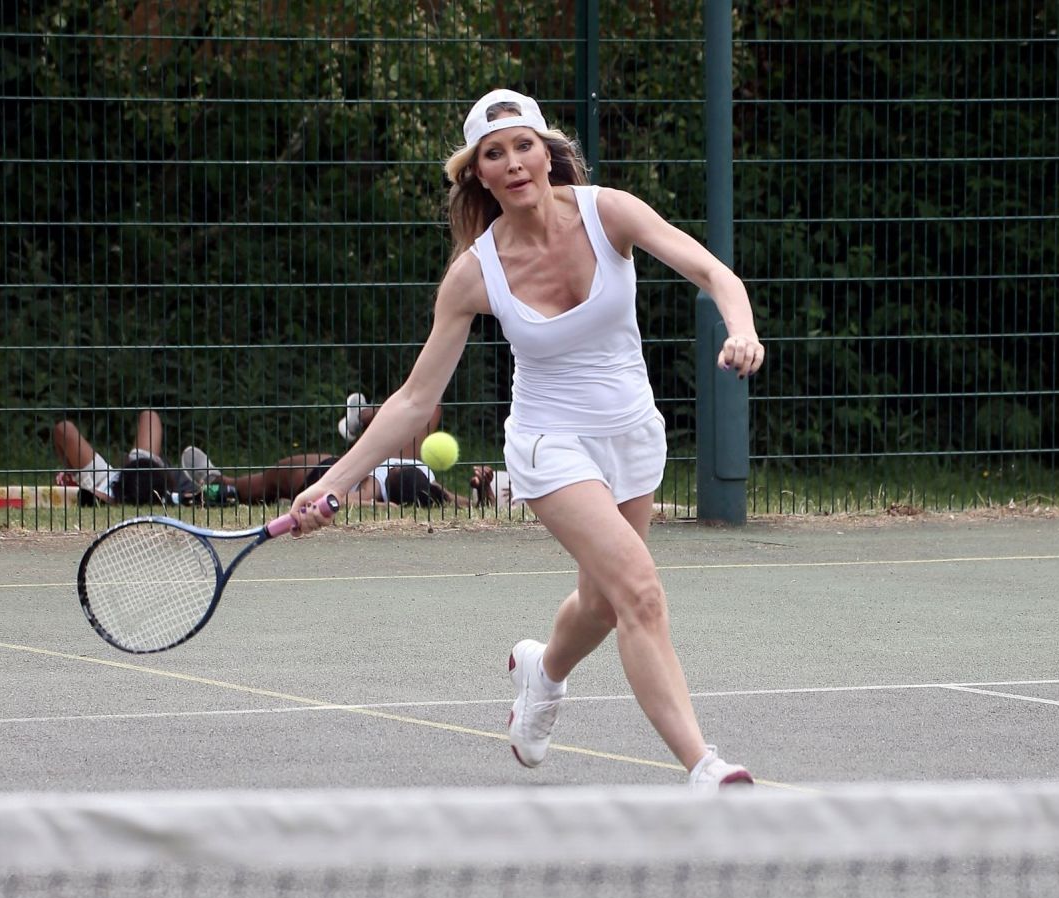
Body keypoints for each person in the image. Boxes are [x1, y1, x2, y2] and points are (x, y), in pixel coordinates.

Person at [290, 89, 765, 790]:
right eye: (493, 153)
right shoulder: (473, 274)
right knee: (640, 592)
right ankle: (705, 766)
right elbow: (416, 399)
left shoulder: (610, 213)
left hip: (633, 434)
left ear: (548, 153)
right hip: (549, 444)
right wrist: (331, 483)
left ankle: (542, 673)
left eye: (522, 145)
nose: (512, 162)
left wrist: (742, 328)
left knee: (601, 604)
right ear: (477, 175)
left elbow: (712, 273)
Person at [180, 398, 486, 509]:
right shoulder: (423, 479)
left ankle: (221, 484)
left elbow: (343, 501)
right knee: (428, 404)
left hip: (336, 473)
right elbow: (456, 501)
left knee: (277, 474)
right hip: (383, 464)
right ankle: (363, 419)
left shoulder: (372, 492)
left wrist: (371, 497)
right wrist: (481, 493)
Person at [52, 409, 200, 506]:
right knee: (149, 415)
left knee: (64, 429)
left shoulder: (107, 496)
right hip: (146, 472)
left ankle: (72, 475)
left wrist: (74, 475)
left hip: (103, 482)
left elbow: (92, 495)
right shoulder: (159, 485)